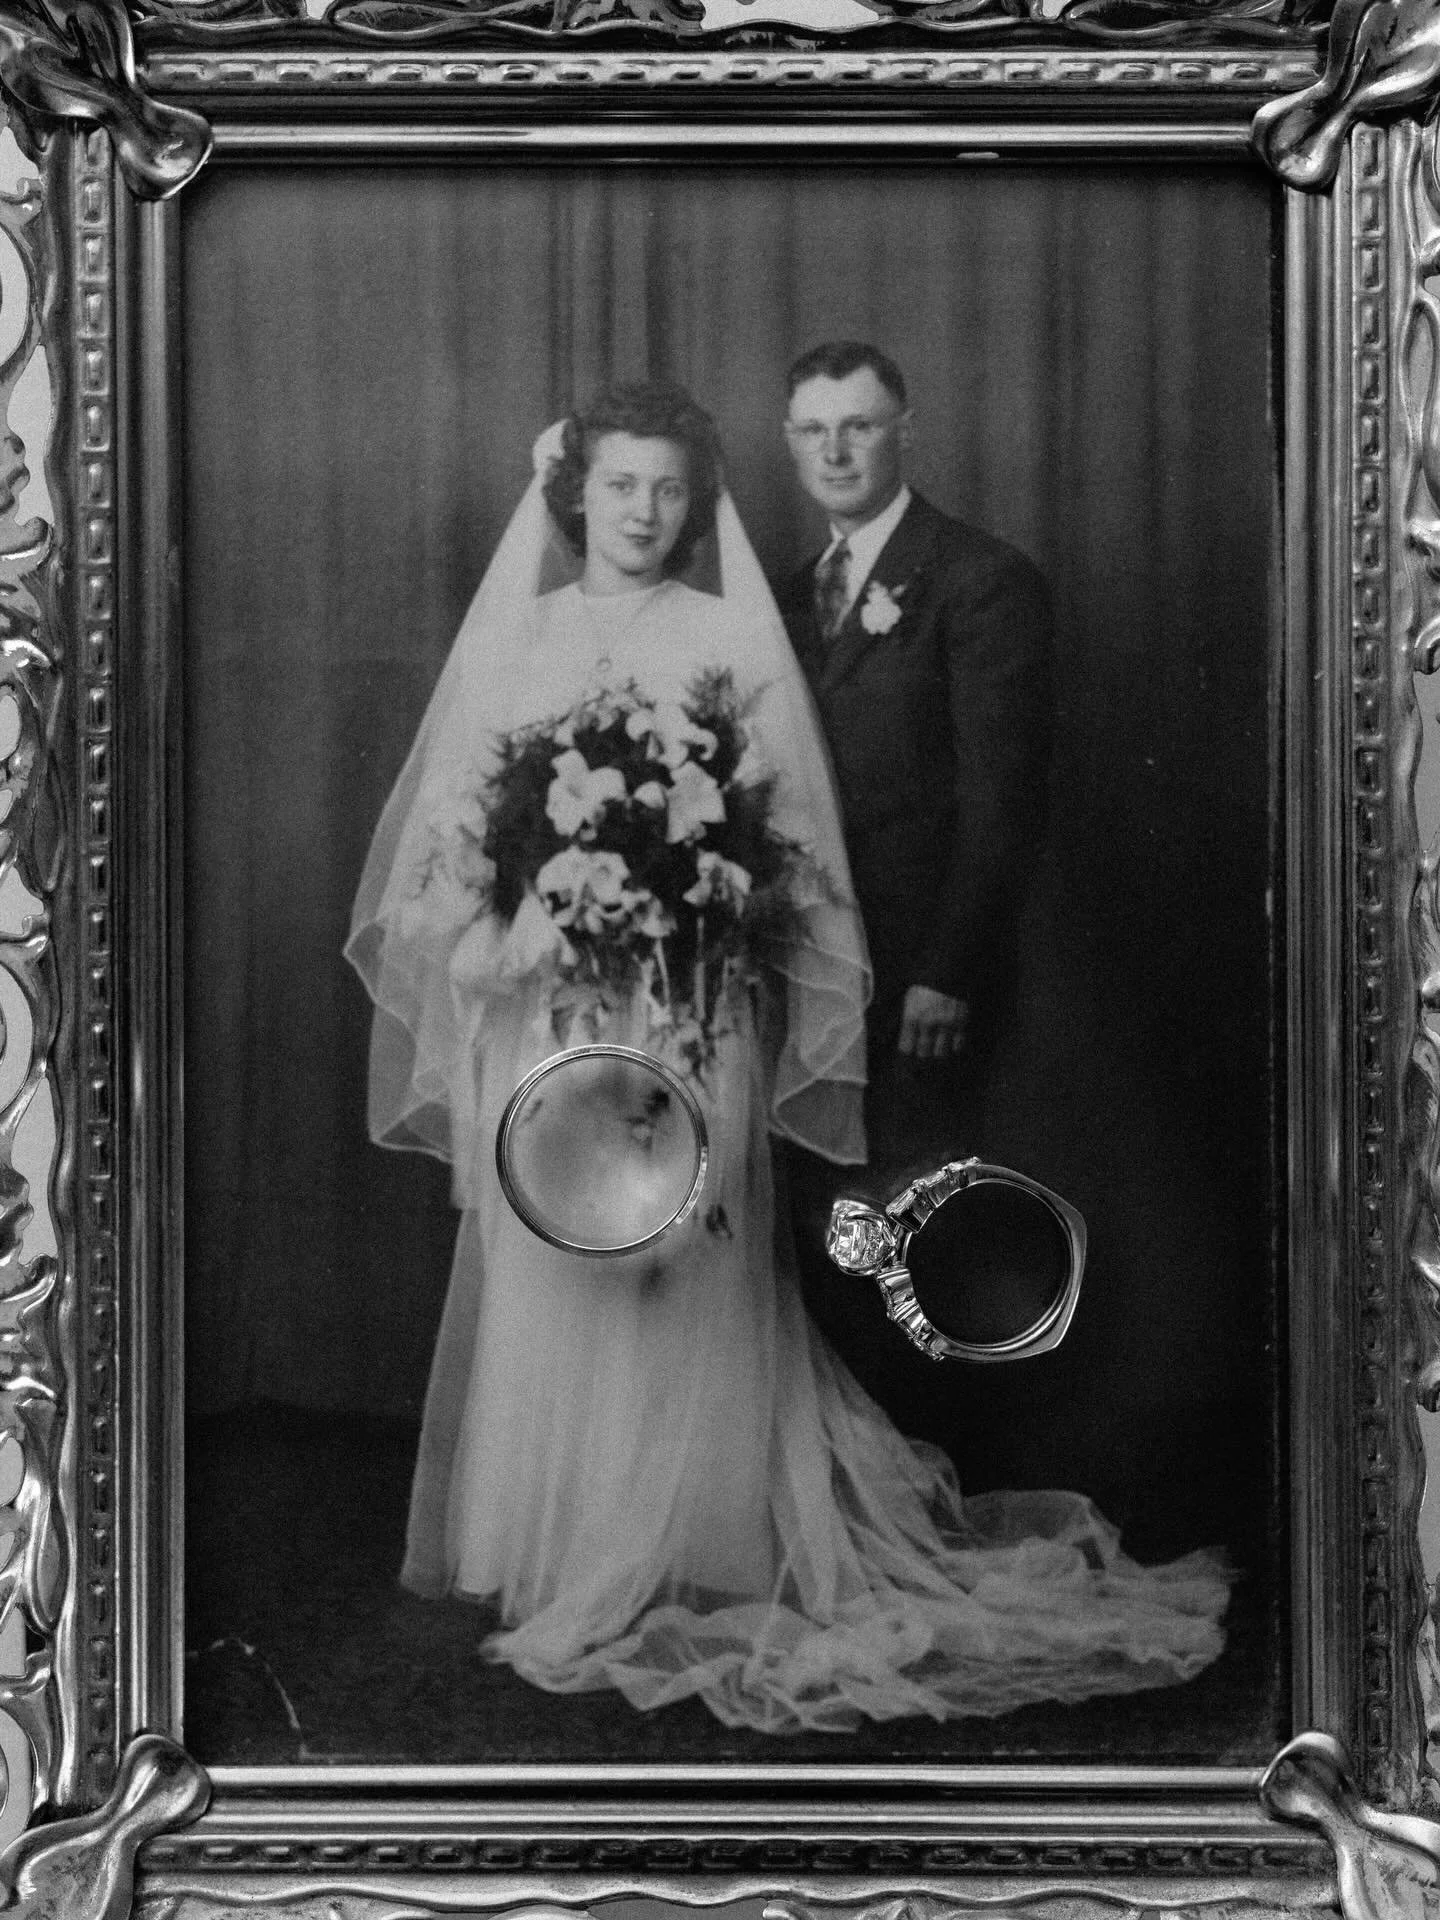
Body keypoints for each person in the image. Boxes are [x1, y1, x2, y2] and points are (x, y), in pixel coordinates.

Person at [347, 378, 1231, 1735]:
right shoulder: (516, 639)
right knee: (561, 1249)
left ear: (694, 503)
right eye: (620, 485)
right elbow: (454, 845)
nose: (642, 512)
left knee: (679, 1257)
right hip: (555, 1008)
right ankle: (563, 1537)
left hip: (689, 1003)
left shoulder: (729, 639)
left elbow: (791, 852)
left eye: (666, 489)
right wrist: (527, 917)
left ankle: (688, 1533)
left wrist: (683, 900)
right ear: (576, 493)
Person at [776, 341, 1054, 1186]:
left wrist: (948, 973)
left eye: (858, 426)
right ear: (789, 440)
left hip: (920, 979)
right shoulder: (789, 594)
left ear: (907, 432)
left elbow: (1003, 799)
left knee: (913, 1210)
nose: (835, 452)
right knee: (818, 1215)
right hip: (807, 967)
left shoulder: (980, 578)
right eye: (814, 430)